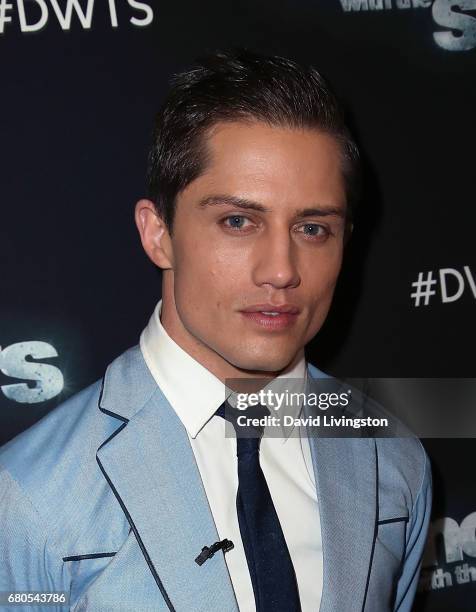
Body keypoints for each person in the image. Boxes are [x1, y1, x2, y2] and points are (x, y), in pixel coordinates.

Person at [0, 49, 431, 612]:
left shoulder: (392, 459)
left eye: (313, 227)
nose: (281, 269)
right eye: (237, 221)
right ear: (158, 234)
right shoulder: (30, 496)